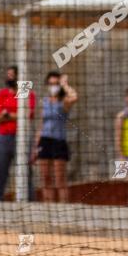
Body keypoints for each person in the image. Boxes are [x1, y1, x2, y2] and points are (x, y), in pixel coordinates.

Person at [0, 65, 36, 201]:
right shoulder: (2, 93)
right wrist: (11, 115)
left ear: (18, 76)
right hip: (3, 136)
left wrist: (7, 115)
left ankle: (30, 201)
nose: (9, 77)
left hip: (21, 136)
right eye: (8, 75)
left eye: (12, 75)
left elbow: (27, 114)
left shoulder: (25, 91)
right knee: (1, 170)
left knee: (25, 171)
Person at [31, 71, 77, 203]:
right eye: (51, 84)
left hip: (59, 141)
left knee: (60, 179)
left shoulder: (64, 102)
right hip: (44, 141)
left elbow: (74, 96)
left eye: (56, 84)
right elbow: (41, 125)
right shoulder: (44, 102)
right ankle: (48, 207)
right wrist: (35, 147)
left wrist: (65, 85)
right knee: (45, 178)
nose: (53, 86)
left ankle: (63, 209)